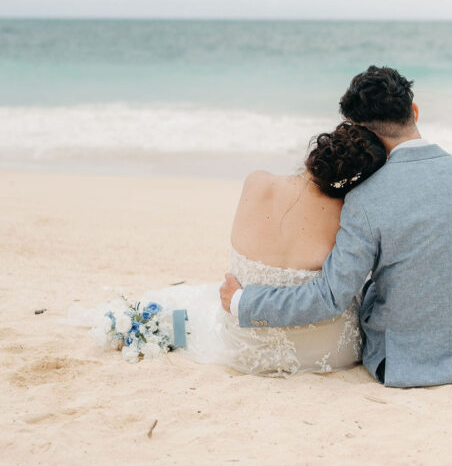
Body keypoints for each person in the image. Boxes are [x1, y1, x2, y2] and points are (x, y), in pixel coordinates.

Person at [220, 65, 452, 388]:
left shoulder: (364, 200)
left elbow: (330, 297)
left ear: (361, 134)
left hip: (400, 364)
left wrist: (243, 302)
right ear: (414, 111)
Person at [69, 122, 386, 377]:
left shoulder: (257, 181)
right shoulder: (350, 215)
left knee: (193, 304)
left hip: (243, 343)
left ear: (316, 151)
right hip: (330, 351)